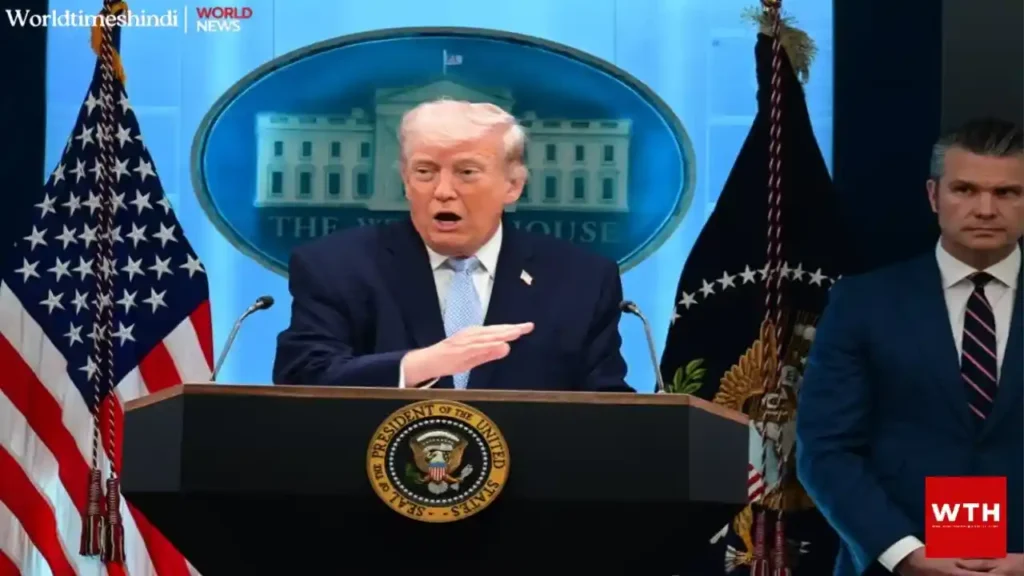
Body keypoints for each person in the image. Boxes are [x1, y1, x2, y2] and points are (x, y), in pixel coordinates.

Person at [272, 98, 632, 392]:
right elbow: (303, 375)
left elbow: (605, 404)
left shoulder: (581, 279)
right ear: (406, 181)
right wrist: (422, 365)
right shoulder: (336, 266)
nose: (443, 191)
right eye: (425, 172)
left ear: (513, 185)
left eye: (466, 172)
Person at [796, 117, 1024, 576]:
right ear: (933, 195)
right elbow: (826, 449)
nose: (985, 209)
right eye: (965, 189)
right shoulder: (862, 303)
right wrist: (905, 554)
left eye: (1006, 193)